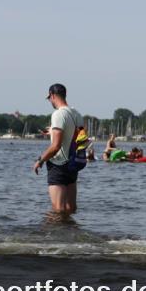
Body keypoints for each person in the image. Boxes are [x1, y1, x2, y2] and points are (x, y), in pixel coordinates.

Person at [32, 84, 84, 215]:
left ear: (53, 95)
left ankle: (51, 234)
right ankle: (69, 234)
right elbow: (79, 137)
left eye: (49, 98)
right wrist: (53, 131)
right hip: (73, 164)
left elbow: (55, 147)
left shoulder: (58, 115)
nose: (50, 101)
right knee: (70, 208)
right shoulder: (76, 113)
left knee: (58, 210)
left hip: (58, 165)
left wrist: (40, 160)